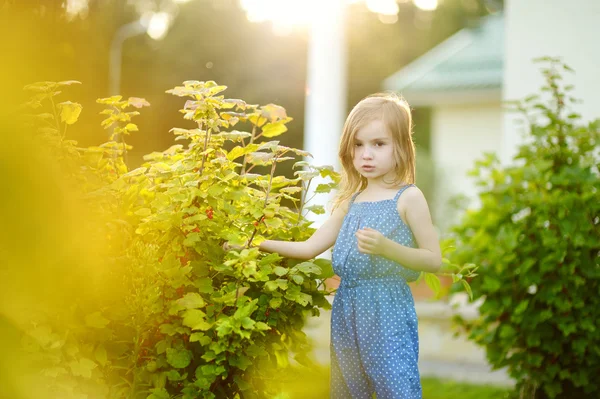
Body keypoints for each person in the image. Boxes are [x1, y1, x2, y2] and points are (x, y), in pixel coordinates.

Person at [230, 93, 441, 398]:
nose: (366, 154)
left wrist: (387, 248)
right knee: (350, 389)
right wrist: (252, 244)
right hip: (348, 310)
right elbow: (309, 248)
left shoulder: (408, 197)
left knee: (395, 386)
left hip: (387, 310)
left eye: (378, 144)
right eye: (358, 144)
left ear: (401, 147)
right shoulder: (351, 202)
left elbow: (433, 259)